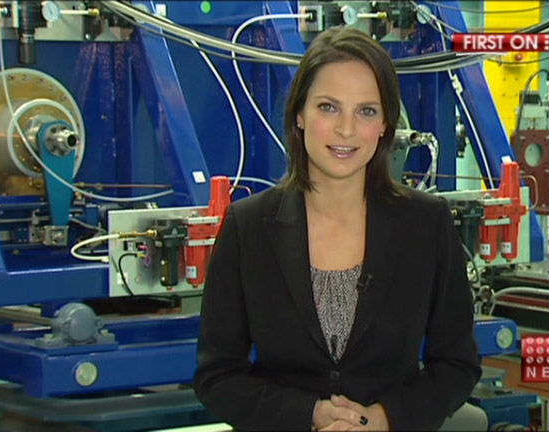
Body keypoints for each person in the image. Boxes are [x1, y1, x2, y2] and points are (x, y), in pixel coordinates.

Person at [194, 26, 481, 431]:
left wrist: (382, 419)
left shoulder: (426, 223)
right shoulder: (248, 227)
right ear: (299, 114)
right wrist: (309, 414)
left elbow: (457, 364)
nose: (347, 129)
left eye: (366, 111)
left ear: (385, 124)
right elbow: (217, 375)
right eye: (329, 107)